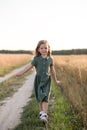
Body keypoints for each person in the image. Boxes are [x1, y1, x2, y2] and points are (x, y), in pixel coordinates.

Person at [16, 40, 60, 123]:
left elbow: (53, 70)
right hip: (38, 80)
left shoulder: (50, 59)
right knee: (39, 96)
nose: (44, 50)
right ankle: (42, 112)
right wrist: (21, 73)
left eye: (45, 48)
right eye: (41, 48)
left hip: (47, 80)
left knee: (45, 96)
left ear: (48, 49)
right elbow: (28, 67)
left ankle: (44, 115)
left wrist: (56, 80)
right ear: (38, 50)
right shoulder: (36, 59)